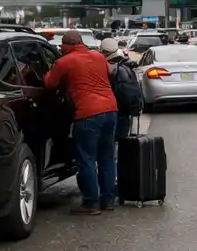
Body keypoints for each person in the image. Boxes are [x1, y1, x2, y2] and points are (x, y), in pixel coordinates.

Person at [43, 29, 119, 215]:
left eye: (62, 46)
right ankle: (108, 200)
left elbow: (49, 84)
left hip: (88, 114)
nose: (60, 49)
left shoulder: (64, 62)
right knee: (106, 157)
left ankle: (91, 203)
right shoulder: (98, 56)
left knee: (86, 159)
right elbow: (110, 72)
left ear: (67, 46)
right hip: (110, 110)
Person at [102, 37, 143, 168]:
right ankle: (122, 174)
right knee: (121, 145)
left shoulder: (111, 69)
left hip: (116, 112)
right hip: (126, 112)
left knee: (111, 147)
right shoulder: (125, 65)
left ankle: (113, 177)